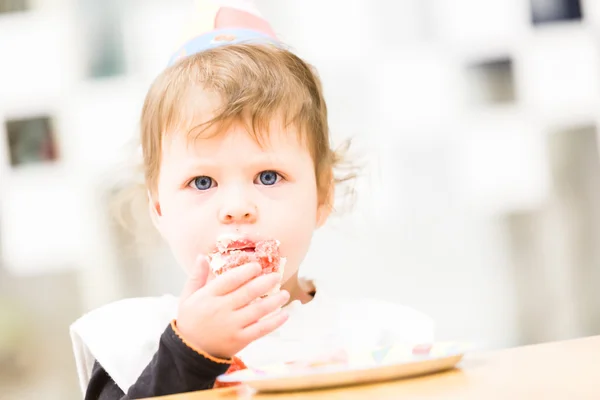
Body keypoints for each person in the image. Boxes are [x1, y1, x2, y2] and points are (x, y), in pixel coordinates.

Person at [70, 1, 435, 398]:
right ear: (158, 207)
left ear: (322, 196)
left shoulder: (381, 339)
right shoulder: (131, 340)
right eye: (203, 182)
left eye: (268, 176)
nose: (237, 207)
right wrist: (190, 354)